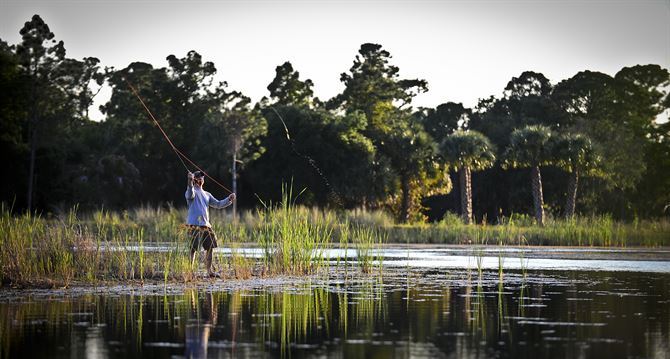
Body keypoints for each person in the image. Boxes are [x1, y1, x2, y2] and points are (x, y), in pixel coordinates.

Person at [185, 171, 235, 278]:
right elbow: (190, 193)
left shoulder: (207, 194)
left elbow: (218, 204)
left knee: (210, 247)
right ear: (194, 179)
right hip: (193, 225)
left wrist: (229, 199)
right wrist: (189, 182)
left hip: (206, 225)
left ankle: (209, 272)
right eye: (198, 177)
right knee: (193, 249)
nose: (201, 179)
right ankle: (190, 272)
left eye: (202, 177)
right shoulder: (191, 191)